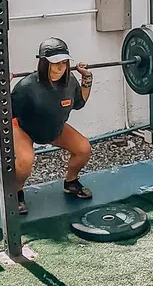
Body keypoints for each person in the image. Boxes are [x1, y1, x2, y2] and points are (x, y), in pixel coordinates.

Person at [10, 37, 93, 214]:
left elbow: (80, 102)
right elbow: (6, 114)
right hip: (25, 128)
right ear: (43, 63)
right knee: (25, 162)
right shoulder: (26, 87)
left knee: (84, 149)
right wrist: (2, 87)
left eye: (64, 63)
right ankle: (15, 193)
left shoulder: (69, 83)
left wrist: (87, 78)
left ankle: (70, 182)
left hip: (54, 128)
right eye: (55, 63)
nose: (60, 68)